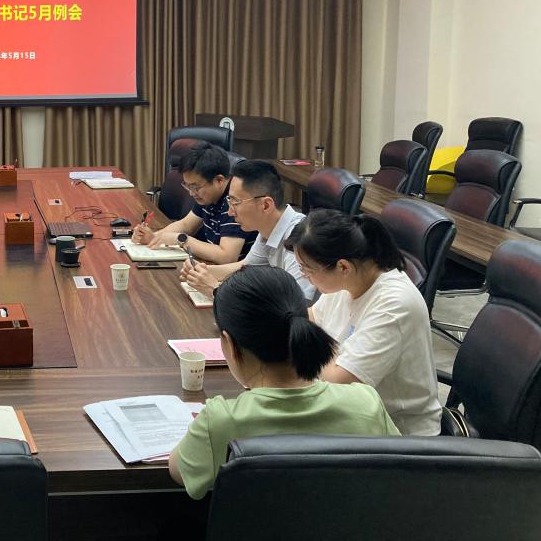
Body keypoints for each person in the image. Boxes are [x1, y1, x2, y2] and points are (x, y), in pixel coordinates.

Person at [169, 266, 399, 499]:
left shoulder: (220, 420)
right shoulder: (366, 403)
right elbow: (402, 473)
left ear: (229, 343)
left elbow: (179, 473)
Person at [286, 209, 443, 436]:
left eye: (307, 269)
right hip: (354, 416)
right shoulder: (348, 281)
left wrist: (311, 344)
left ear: (343, 267)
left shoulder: (394, 304)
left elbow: (339, 382)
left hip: (398, 435)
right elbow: (309, 319)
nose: (303, 276)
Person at [181, 159, 314, 301]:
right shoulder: (267, 228)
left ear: (266, 205)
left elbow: (295, 307)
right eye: (229, 201)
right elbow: (244, 267)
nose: (230, 212)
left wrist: (215, 290)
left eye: (235, 202)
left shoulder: (300, 240)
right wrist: (201, 271)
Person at [132, 142, 255, 263]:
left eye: (195, 187)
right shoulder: (209, 195)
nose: (191, 193)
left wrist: (181, 239)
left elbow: (227, 256)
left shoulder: (234, 201)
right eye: (188, 186)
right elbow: (186, 225)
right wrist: (155, 237)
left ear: (219, 180)